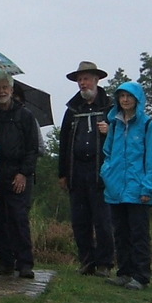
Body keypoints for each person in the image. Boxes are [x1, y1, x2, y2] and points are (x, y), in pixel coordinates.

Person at [101, 82, 152, 291]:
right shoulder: (116, 124)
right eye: (122, 96)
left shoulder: (148, 125)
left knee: (139, 235)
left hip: (139, 190)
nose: (125, 100)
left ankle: (141, 276)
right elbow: (108, 152)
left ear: (137, 99)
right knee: (120, 233)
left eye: (129, 96)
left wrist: (148, 187)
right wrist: (107, 174)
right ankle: (124, 272)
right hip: (116, 189)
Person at [58, 61, 114, 277]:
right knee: (80, 221)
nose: (82, 83)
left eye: (86, 79)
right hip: (76, 172)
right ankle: (87, 261)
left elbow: (120, 138)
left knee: (103, 221)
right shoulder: (72, 109)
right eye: (80, 80)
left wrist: (110, 131)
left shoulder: (109, 107)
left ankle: (105, 263)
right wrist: (62, 174)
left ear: (96, 80)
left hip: (101, 173)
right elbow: (64, 143)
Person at [0, 72, 38, 278]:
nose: (1, 91)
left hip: (18, 175)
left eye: (5, 87)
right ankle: (5, 262)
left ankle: (25, 263)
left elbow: (33, 148)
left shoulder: (25, 115)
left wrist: (24, 173)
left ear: (12, 90)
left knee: (18, 218)